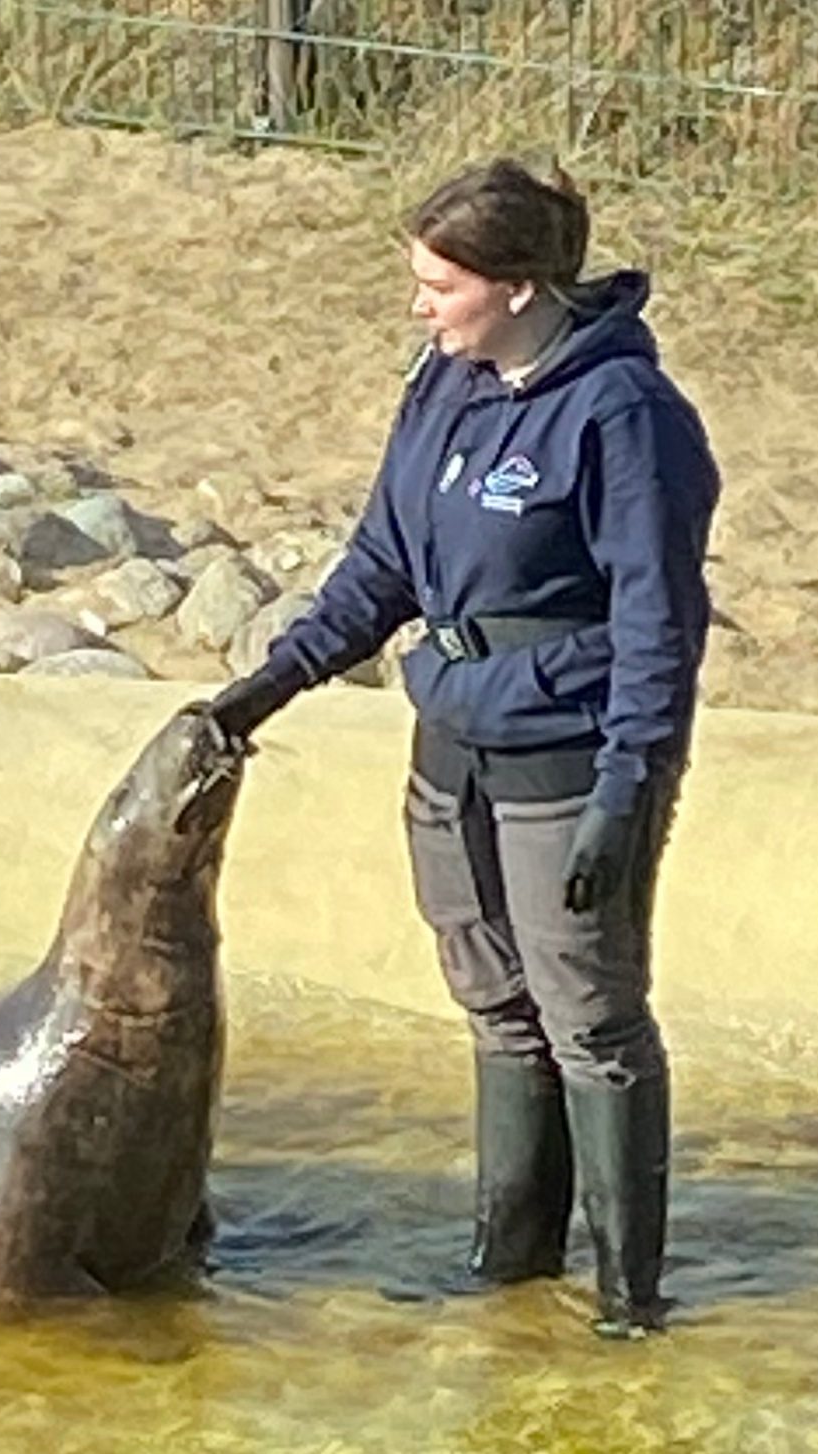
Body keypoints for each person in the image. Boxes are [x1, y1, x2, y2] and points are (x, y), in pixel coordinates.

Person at [206, 158, 720, 1340]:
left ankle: (629, 1299)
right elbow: (382, 563)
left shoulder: (625, 418)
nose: (421, 306)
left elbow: (658, 624)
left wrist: (624, 791)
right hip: (451, 743)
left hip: (567, 750)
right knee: (496, 1003)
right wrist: (264, 690)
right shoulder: (442, 386)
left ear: (524, 286)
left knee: (589, 1011)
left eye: (442, 285)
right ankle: (510, 1264)